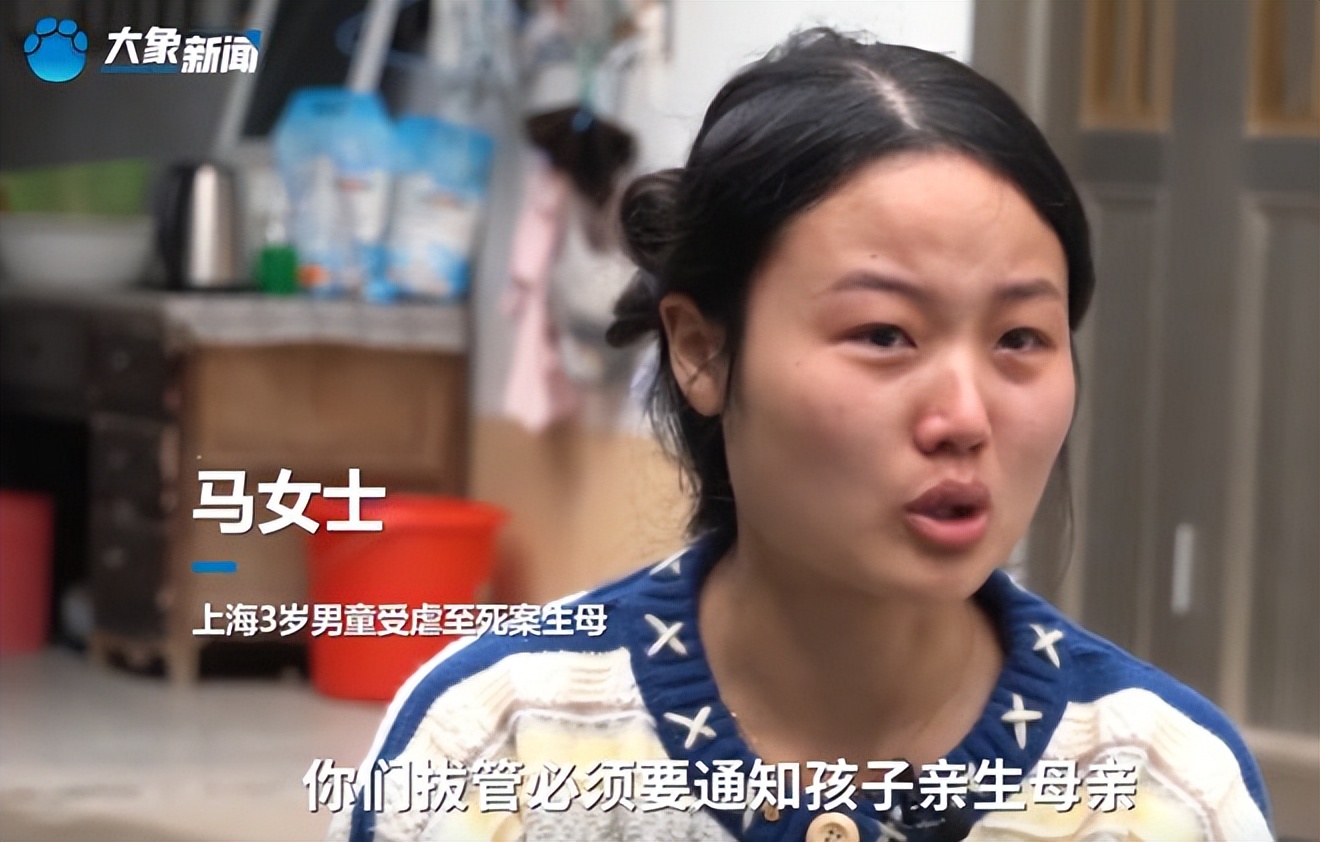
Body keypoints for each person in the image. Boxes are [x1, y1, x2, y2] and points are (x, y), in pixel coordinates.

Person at [330, 29, 1273, 842]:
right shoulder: (497, 743)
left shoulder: (1163, 787)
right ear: (701, 350)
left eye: (1020, 339)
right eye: (884, 335)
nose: (965, 418)